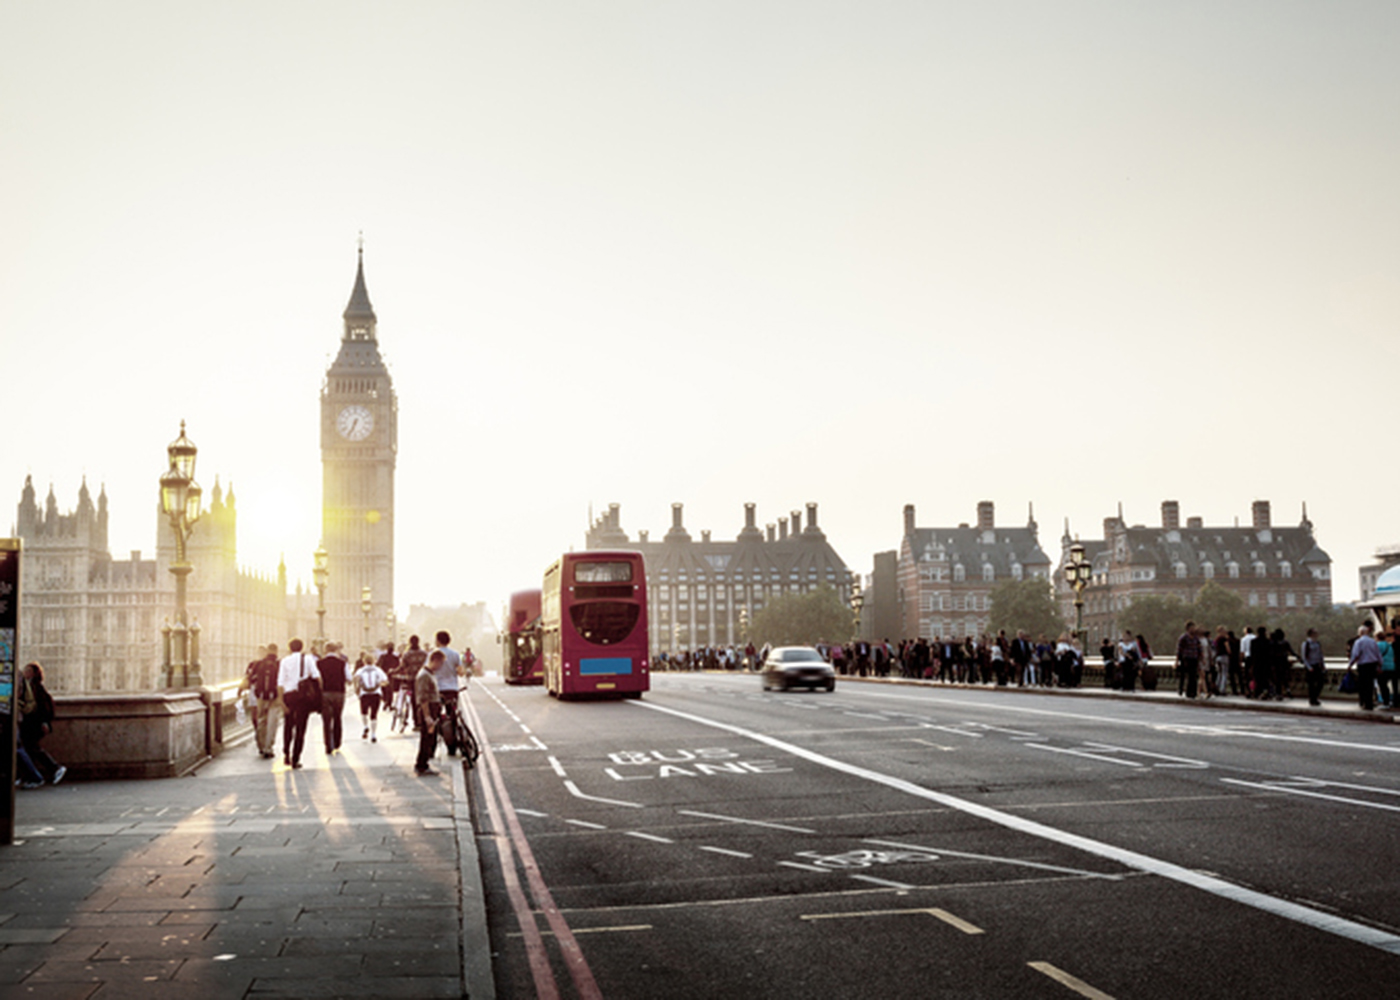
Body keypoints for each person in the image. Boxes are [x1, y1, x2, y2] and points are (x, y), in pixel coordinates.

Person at [17, 663, 66, 786]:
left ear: (34, 673)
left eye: (28, 670)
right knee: (29, 749)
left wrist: (45, 722)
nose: (25, 672)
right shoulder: (27, 685)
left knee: (32, 748)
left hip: (34, 724)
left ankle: (53, 769)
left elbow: (43, 707)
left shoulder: (36, 687)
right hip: (30, 723)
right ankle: (29, 776)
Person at [277, 638, 320, 768]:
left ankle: (286, 753)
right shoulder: (308, 659)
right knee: (301, 729)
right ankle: (296, 758)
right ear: (302, 647)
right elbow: (317, 677)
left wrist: (281, 702)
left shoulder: (284, 661)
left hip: (289, 696)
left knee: (288, 726)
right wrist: (318, 696)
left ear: (289, 648)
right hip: (303, 698)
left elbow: (280, 683)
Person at [245, 644, 281, 759]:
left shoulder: (258, 664)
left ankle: (260, 745)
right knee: (272, 722)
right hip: (275, 697)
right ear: (276, 651)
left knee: (261, 720)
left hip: (260, 696)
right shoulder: (280, 663)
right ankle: (268, 748)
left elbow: (250, 679)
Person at [432, 631, 465, 751]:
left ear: (438, 641)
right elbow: (461, 672)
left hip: (437, 690)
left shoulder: (432, 654)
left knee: (435, 717)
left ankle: (435, 743)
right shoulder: (455, 654)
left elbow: (428, 670)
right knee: (452, 715)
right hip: (452, 689)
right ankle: (454, 742)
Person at [317, 642, 352, 755]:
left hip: (325, 693)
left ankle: (328, 745)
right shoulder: (342, 663)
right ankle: (337, 742)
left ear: (325, 650)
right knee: (337, 717)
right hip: (339, 693)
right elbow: (349, 678)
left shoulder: (319, 663)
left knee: (326, 720)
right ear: (336, 650)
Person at [415, 649, 443, 776]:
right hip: (428, 710)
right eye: (440, 663)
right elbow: (423, 698)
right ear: (434, 660)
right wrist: (427, 717)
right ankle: (421, 765)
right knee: (426, 739)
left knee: (430, 739)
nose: (441, 666)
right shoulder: (424, 675)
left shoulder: (430, 674)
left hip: (433, 709)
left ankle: (424, 764)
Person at [1347, 623, 1383, 711]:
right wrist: (1380, 665)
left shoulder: (1358, 642)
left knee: (1362, 684)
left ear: (1360, 632)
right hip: (1372, 664)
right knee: (1370, 684)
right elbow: (1378, 654)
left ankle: (1363, 702)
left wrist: (1350, 665)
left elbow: (1355, 655)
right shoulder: (1373, 642)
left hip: (1363, 665)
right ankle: (1369, 703)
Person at [355, 652, 390, 742]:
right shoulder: (378, 670)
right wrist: (379, 684)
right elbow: (386, 681)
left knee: (364, 712)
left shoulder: (361, 670)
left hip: (364, 694)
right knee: (374, 715)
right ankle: (373, 735)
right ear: (374, 661)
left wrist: (357, 690)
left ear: (364, 661)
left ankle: (366, 726)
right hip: (376, 694)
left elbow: (356, 679)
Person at [1300, 628, 1326, 707]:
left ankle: (1315, 697)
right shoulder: (1306, 644)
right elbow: (1304, 657)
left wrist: (1322, 665)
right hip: (1310, 666)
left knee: (1321, 682)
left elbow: (1320, 655)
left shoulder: (1317, 643)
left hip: (1317, 665)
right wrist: (1308, 667)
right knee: (1311, 684)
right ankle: (1312, 699)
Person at [1175, 621, 1201, 699]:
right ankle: (1183, 690)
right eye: (1192, 628)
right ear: (1188, 629)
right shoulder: (1183, 638)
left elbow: (1199, 648)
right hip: (1186, 658)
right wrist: (1177, 660)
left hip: (1194, 658)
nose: (1193, 629)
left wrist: (1201, 657)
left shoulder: (1196, 638)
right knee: (1185, 675)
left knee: (1193, 676)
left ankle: (1193, 692)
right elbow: (1179, 650)